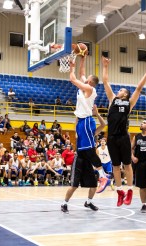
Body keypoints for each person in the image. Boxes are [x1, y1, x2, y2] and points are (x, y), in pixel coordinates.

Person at [102, 56, 146, 207]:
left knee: (127, 165)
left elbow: (139, 87)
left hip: (123, 136)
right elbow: (105, 82)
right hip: (111, 137)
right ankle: (119, 192)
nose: (119, 90)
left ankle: (129, 190)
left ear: (126, 94)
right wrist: (105, 66)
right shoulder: (112, 99)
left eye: (122, 90)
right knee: (116, 167)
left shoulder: (129, 103)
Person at [61, 54, 108, 213]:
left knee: (89, 148)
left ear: (90, 82)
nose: (85, 78)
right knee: (83, 150)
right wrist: (82, 58)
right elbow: (81, 74)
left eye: (87, 78)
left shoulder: (89, 89)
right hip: (81, 122)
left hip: (87, 121)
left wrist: (71, 66)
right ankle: (70, 202)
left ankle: (103, 175)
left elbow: (74, 79)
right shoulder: (85, 86)